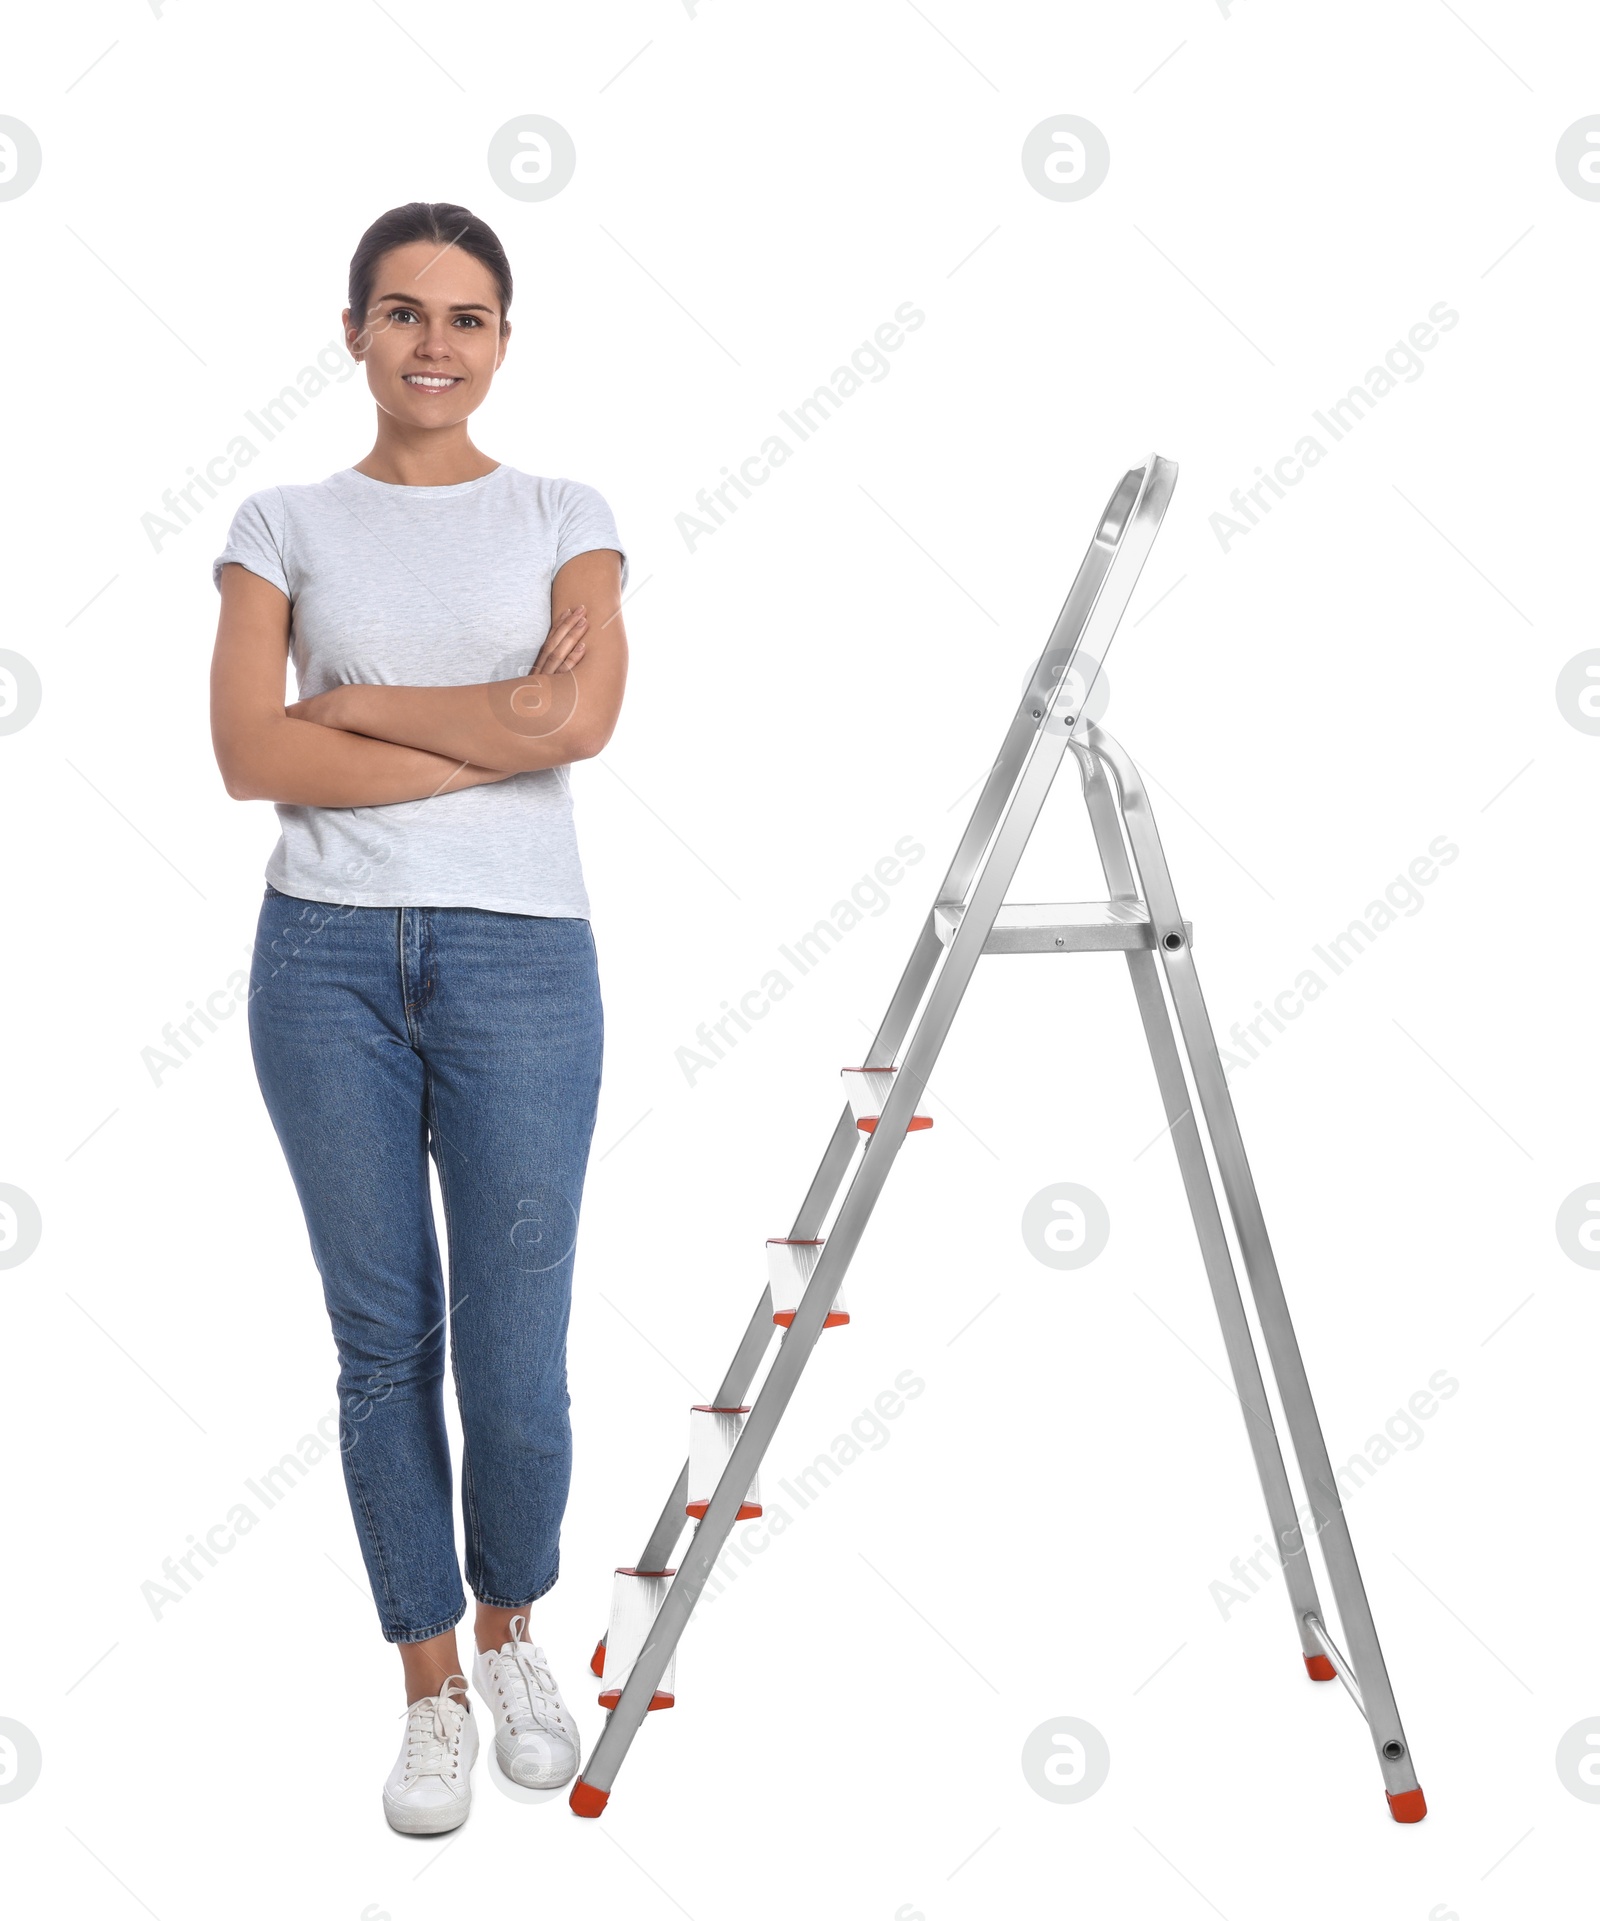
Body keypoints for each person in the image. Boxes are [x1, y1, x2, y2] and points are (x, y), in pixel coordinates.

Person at [207, 200, 628, 1835]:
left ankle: (520, 1631)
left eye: (465, 316)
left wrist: (359, 706)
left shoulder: (562, 508)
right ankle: (431, 1679)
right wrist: (492, 724)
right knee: (387, 1344)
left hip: (524, 959)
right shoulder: (279, 518)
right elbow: (254, 755)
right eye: (403, 313)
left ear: (504, 341)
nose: (434, 343)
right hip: (322, 961)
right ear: (356, 333)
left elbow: (579, 718)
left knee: (519, 1353)